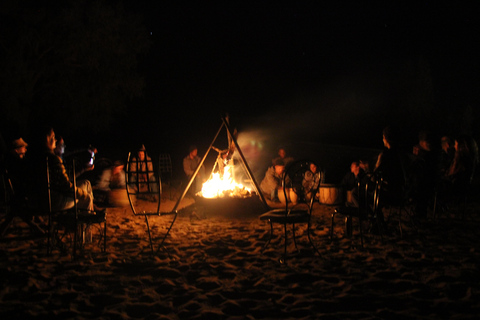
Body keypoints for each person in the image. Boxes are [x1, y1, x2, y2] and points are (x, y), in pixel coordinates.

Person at [37, 127, 98, 213]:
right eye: (54, 138)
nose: (55, 140)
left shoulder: (39, 157)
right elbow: (66, 185)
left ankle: (92, 210)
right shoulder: (53, 159)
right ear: (49, 140)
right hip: (54, 200)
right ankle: (84, 224)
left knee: (86, 183)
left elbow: (72, 151)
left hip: (42, 198)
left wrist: (86, 150)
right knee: (86, 197)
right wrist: (84, 195)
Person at [0, 137, 45, 237]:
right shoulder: (16, 162)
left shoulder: (11, 160)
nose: (25, 150)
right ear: (16, 150)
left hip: (18, 193)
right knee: (19, 208)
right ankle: (35, 226)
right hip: (19, 194)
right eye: (23, 147)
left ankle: (35, 222)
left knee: (16, 210)